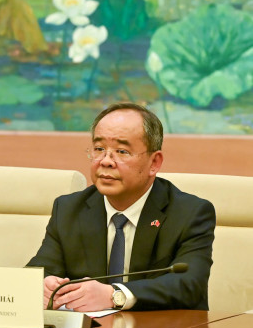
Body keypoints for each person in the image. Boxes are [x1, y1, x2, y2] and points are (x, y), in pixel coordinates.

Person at [27, 103, 214, 311]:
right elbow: (38, 270)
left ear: (154, 162)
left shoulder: (189, 212)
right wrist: (43, 286)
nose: (106, 161)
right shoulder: (69, 209)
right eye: (99, 149)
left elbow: (189, 284)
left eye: (122, 151)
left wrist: (115, 295)